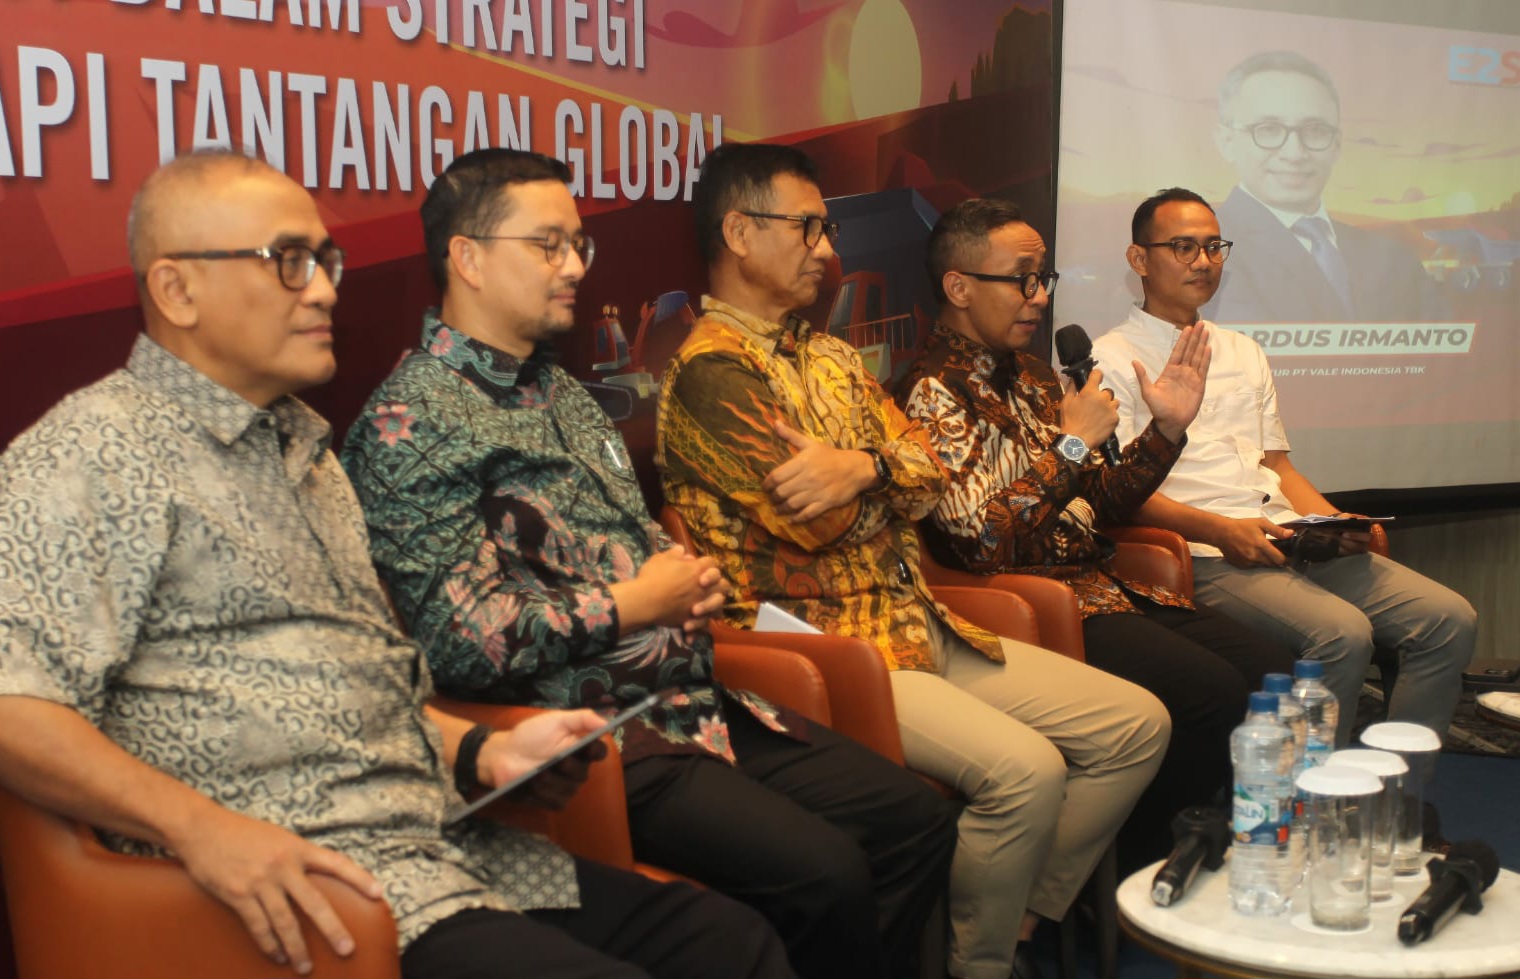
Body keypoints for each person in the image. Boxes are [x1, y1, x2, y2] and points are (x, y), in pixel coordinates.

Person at [0, 150, 796, 979]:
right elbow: (12, 702)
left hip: (442, 847)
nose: (323, 290)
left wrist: (480, 752)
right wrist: (203, 830)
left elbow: (359, 691)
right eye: (288, 261)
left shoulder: (307, 455)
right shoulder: (92, 453)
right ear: (176, 290)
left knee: (729, 943)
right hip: (308, 892)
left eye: (326, 260)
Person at [341, 148, 957, 979]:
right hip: (591, 728)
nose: (574, 267)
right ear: (468, 257)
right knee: (828, 872)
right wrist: (636, 601)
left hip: (698, 697)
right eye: (548, 245)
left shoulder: (564, 394)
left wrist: (683, 579)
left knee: (915, 821)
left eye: (579, 245)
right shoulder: (410, 421)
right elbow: (462, 642)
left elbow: (636, 541)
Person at [656, 141, 1170, 979]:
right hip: (829, 649)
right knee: (1029, 773)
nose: (826, 249)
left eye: (825, 229)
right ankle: (979, 963)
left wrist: (861, 467)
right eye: (807, 228)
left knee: (1135, 726)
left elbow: (927, 473)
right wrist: (883, 476)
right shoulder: (711, 373)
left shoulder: (827, 354)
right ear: (740, 233)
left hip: (916, 617)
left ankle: (1015, 919)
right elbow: (818, 525)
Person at [895, 197, 1296, 867]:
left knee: (1266, 669)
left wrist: (1165, 431)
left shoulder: (1031, 375)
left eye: (1043, 278)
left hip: (1101, 585)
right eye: (1021, 280)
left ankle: (1177, 845)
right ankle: (1129, 869)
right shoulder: (932, 391)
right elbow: (979, 540)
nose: (1038, 296)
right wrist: (1072, 445)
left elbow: (1105, 501)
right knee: (1210, 693)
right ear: (958, 287)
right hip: (1028, 603)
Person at [1094, 187, 1477, 744]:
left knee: (1447, 618)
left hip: (1288, 535)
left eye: (1213, 247)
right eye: (1183, 247)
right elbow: (1119, 493)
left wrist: (1336, 522)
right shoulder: (1108, 358)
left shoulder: (1243, 350)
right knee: (1342, 634)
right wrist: (1221, 531)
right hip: (1202, 552)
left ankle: (1398, 778)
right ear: (1139, 259)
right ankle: (1305, 793)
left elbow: (1278, 466)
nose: (1203, 261)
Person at [1202, 49, 1447, 326]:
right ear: (1226, 141)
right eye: (1268, 129)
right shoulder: (1200, 254)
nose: (1294, 153)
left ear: (1337, 144)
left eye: (1315, 130)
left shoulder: (1393, 259)